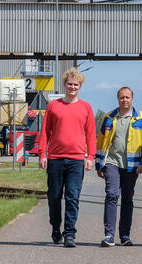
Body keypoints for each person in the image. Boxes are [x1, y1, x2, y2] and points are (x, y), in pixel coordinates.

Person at [38, 67, 96, 248]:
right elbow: (45, 132)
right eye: (70, 84)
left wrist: (90, 156)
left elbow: (91, 134)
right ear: (64, 85)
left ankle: (69, 233)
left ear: (80, 87)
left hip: (77, 160)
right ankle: (56, 228)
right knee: (54, 197)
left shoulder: (86, 107)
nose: (72, 87)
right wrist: (42, 153)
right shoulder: (53, 106)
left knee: (72, 197)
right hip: (55, 159)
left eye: (76, 84)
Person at [95, 86, 142, 247]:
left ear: (132, 99)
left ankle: (125, 235)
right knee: (112, 194)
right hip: (112, 162)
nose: (124, 100)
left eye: (127, 97)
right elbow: (101, 142)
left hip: (132, 165)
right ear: (118, 99)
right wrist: (99, 164)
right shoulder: (109, 117)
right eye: (122, 97)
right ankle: (109, 235)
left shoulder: (141, 118)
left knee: (127, 199)